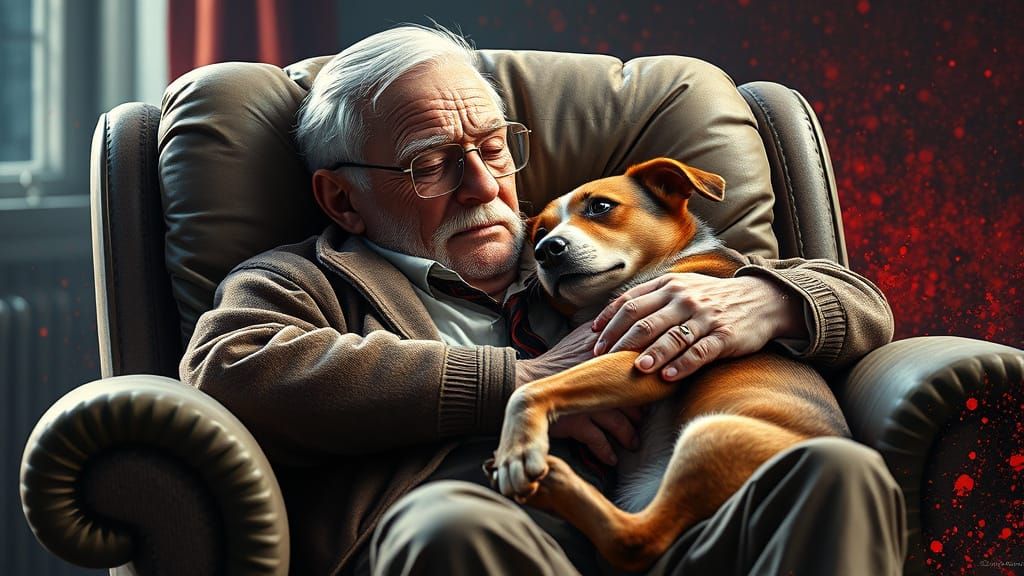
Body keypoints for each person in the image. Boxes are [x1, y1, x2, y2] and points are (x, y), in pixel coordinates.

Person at [181, 24, 906, 576]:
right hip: (498, 541)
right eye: (432, 164)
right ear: (343, 199)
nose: (483, 186)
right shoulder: (303, 279)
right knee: (446, 523)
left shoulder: (583, 247)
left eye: (493, 148)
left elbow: (860, 303)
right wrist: (513, 384)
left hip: (688, 538)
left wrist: (765, 298)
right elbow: (229, 368)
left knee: (835, 474)